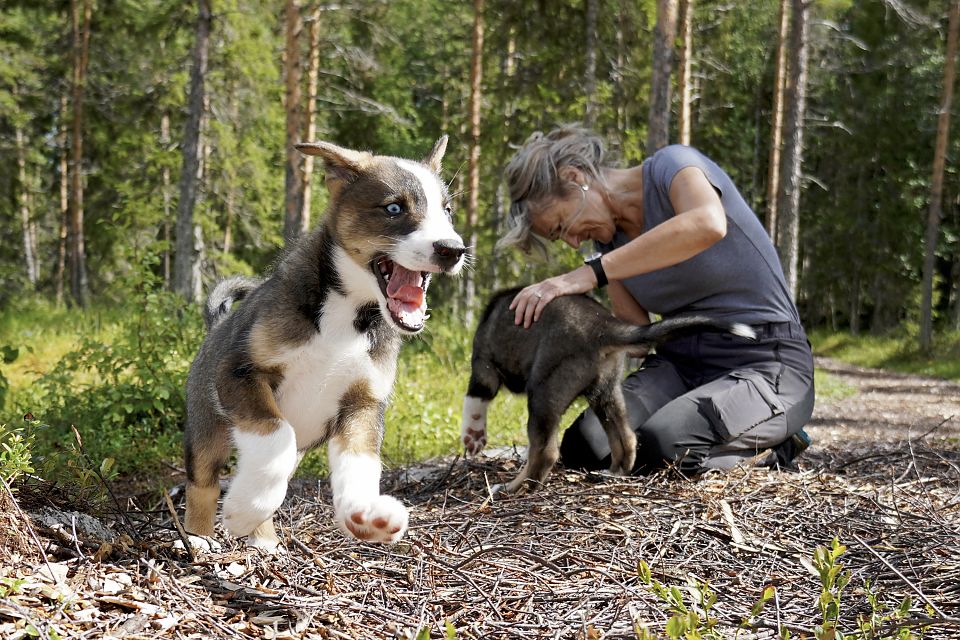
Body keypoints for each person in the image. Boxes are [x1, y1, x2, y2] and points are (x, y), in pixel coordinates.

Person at [498, 125, 815, 475]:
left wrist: (591, 273)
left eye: (561, 226)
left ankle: (777, 446)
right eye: (560, 239)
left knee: (663, 447)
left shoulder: (673, 165)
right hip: (680, 363)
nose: (573, 242)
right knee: (586, 445)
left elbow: (708, 223)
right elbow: (637, 339)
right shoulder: (609, 247)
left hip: (765, 358)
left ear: (575, 178)